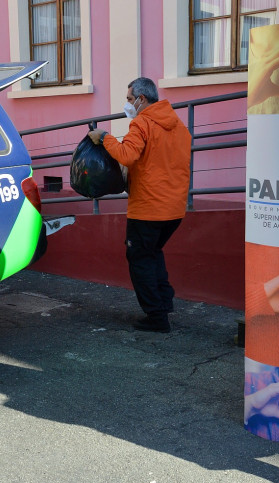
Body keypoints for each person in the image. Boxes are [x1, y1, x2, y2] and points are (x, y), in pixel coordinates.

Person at [87, 77, 192, 333]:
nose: (128, 104)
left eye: (129, 99)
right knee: (153, 254)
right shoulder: (178, 125)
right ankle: (164, 305)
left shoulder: (142, 123)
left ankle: (156, 316)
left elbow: (127, 155)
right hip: (174, 209)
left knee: (141, 260)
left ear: (141, 99)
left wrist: (103, 137)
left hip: (147, 209)